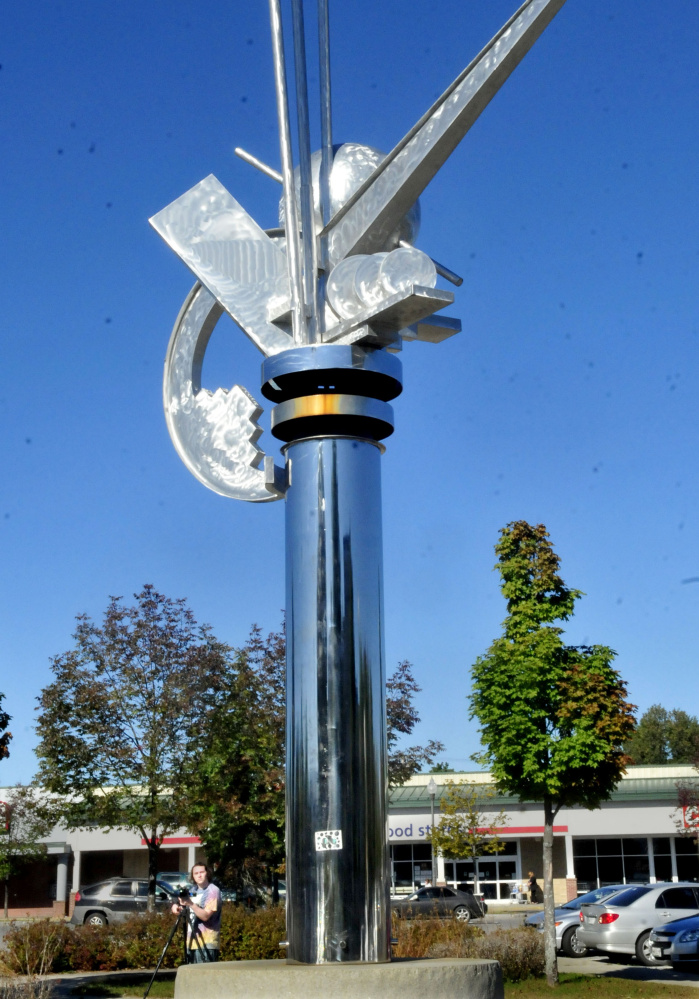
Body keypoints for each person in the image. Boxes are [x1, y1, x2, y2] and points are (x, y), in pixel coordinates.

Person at [171, 862, 222, 963]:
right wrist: (176, 905)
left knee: (205, 976)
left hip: (207, 943)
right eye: (196, 873)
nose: (199, 875)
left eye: (202, 872)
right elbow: (183, 900)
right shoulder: (193, 890)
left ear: (207, 873)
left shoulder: (213, 891)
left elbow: (206, 916)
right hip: (191, 941)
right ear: (192, 876)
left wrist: (190, 903)